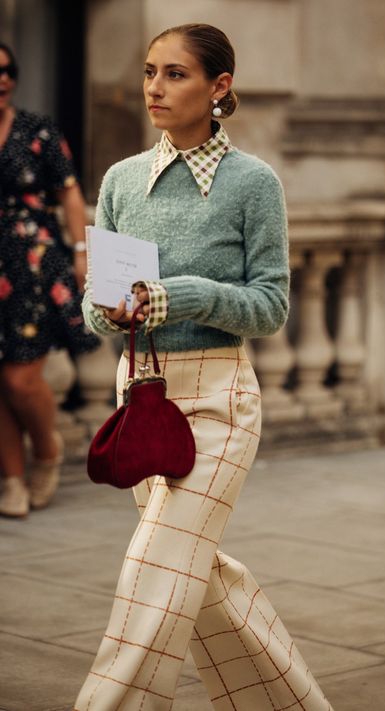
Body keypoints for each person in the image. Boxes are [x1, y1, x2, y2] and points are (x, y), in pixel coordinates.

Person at [75, 24, 332, 711]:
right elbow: (99, 311)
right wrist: (112, 307)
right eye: (151, 72)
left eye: (176, 74)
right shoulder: (122, 180)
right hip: (143, 397)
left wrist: (176, 294)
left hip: (220, 399)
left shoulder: (254, 184)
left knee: (151, 572)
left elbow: (272, 305)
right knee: (195, 574)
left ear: (219, 87)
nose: (155, 87)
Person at [0, 43, 100, 518]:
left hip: (31, 264)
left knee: (21, 378)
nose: (1, 80)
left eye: (6, 71)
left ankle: (47, 452)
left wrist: (82, 252)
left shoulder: (37, 130)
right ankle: (12, 480)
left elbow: (70, 193)